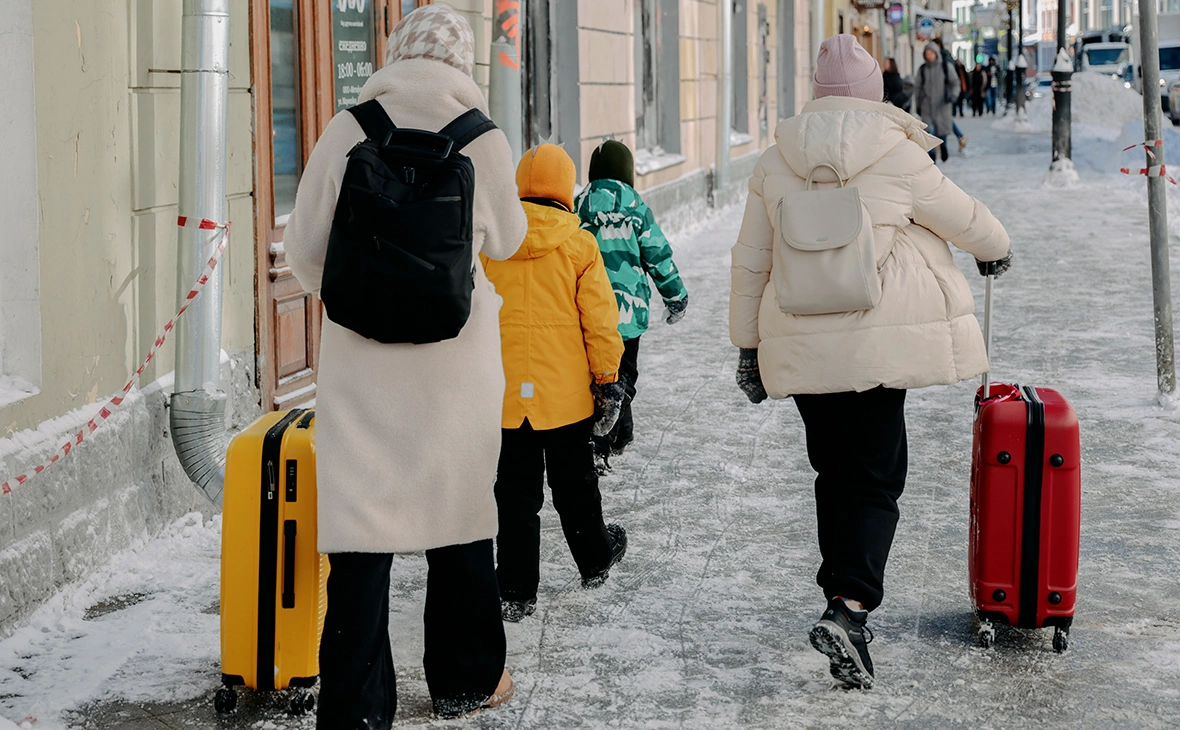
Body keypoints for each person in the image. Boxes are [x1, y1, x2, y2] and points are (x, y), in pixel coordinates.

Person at [728, 34, 1012, 691]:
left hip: (800, 343)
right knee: (878, 475)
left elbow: (751, 261)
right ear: (874, 97)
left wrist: (747, 347)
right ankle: (850, 607)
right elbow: (963, 216)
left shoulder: (776, 160)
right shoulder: (895, 151)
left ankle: (841, 598)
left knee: (835, 470)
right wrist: (996, 249)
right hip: (878, 343)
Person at [282, 6, 527, 726]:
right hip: (456, 370)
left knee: (360, 539)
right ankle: (465, 678)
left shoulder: (346, 128)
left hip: (364, 368)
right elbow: (509, 242)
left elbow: (302, 250)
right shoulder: (483, 138)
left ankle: (357, 708)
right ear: (464, 63)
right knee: (459, 520)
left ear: (394, 54)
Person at [483, 143, 630, 623]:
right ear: (567, 190)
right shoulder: (579, 244)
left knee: (515, 493)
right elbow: (601, 322)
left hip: (506, 398)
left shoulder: (492, 244)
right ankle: (594, 559)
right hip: (565, 399)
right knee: (576, 485)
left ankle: (516, 589)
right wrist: (608, 381)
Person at [575, 140, 689, 475]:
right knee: (625, 374)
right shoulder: (636, 206)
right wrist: (675, 295)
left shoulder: (579, 204)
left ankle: (613, 433)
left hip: (588, 311)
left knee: (596, 376)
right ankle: (607, 439)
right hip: (628, 313)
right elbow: (657, 254)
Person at [916, 42, 957, 163]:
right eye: (927, 53)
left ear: (936, 53)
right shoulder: (922, 69)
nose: (929, 55)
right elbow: (918, 87)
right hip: (926, 105)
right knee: (929, 131)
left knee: (942, 129)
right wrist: (917, 104)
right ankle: (932, 154)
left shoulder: (945, 67)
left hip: (942, 103)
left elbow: (955, 82)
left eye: (931, 53)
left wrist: (953, 95)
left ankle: (943, 147)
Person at [933, 37, 968, 150]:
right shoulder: (944, 56)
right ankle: (959, 137)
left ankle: (942, 144)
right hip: (940, 93)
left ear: (938, 46)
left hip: (944, 93)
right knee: (944, 119)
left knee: (944, 119)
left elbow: (950, 78)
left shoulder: (944, 58)